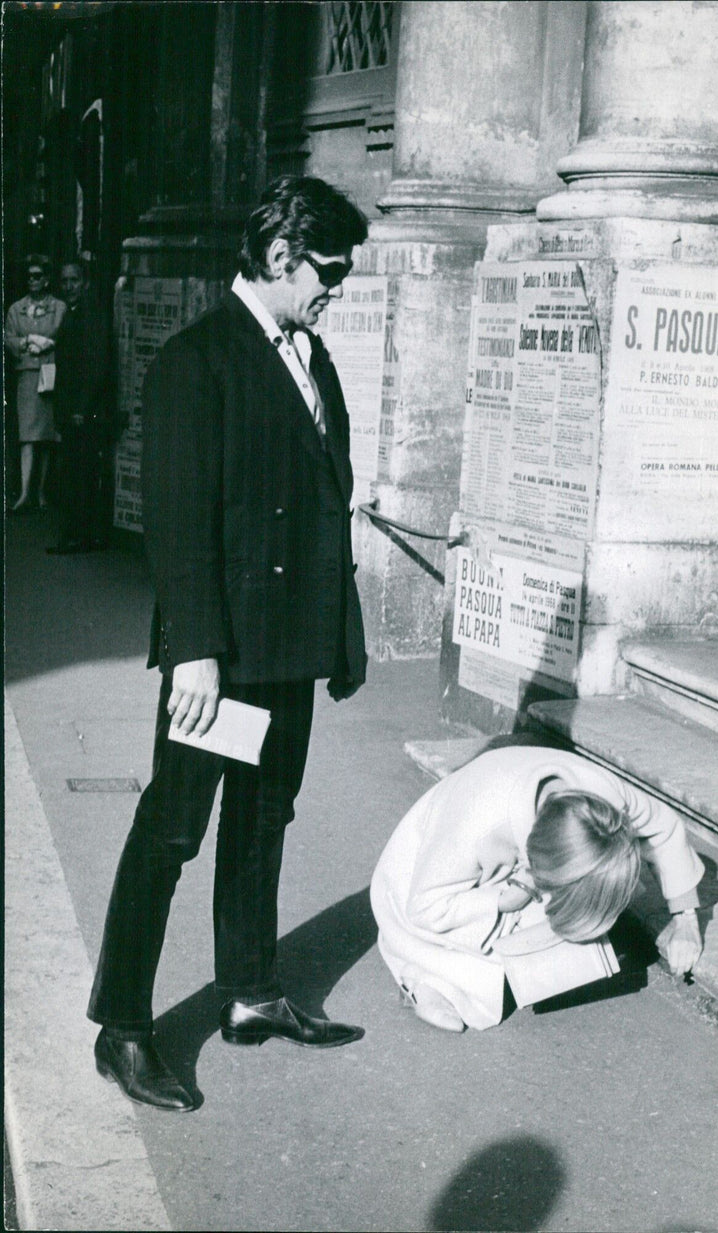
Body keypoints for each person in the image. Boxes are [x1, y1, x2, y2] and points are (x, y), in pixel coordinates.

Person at [88, 176, 370, 1111]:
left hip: (287, 648)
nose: (341, 285)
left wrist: (342, 635)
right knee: (174, 829)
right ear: (283, 257)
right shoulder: (196, 361)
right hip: (227, 657)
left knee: (264, 820)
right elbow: (178, 526)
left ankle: (250, 991)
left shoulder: (312, 357)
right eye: (331, 268)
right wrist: (194, 653)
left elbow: (328, 504)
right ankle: (123, 1024)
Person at [371, 745, 704, 1032]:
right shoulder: (475, 821)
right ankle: (424, 976)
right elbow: (426, 907)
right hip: (422, 878)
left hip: (519, 867)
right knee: (471, 956)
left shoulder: (605, 798)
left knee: (557, 934)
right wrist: (503, 899)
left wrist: (685, 919)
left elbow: (665, 827)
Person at [48, 261, 112, 554]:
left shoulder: (90, 314)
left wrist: (82, 408)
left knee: (81, 474)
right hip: (72, 408)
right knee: (73, 473)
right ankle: (76, 533)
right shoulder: (73, 313)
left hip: (83, 411)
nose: (69, 286)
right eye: (64, 281)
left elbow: (96, 365)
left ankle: (80, 535)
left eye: (74, 280)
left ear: (85, 282)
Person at [4, 254, 66, 511]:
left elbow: (56, 330)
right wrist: (28, 341)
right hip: (27, 374)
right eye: (30, 276)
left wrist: (32, 340)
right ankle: (25, 493)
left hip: (49, 372)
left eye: (38, 276)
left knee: (47, 435)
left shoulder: (58, 307)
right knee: (27, 436)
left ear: (47, 279)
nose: (33, 281)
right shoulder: (16, 308)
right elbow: (9, 337)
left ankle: (40, 491)